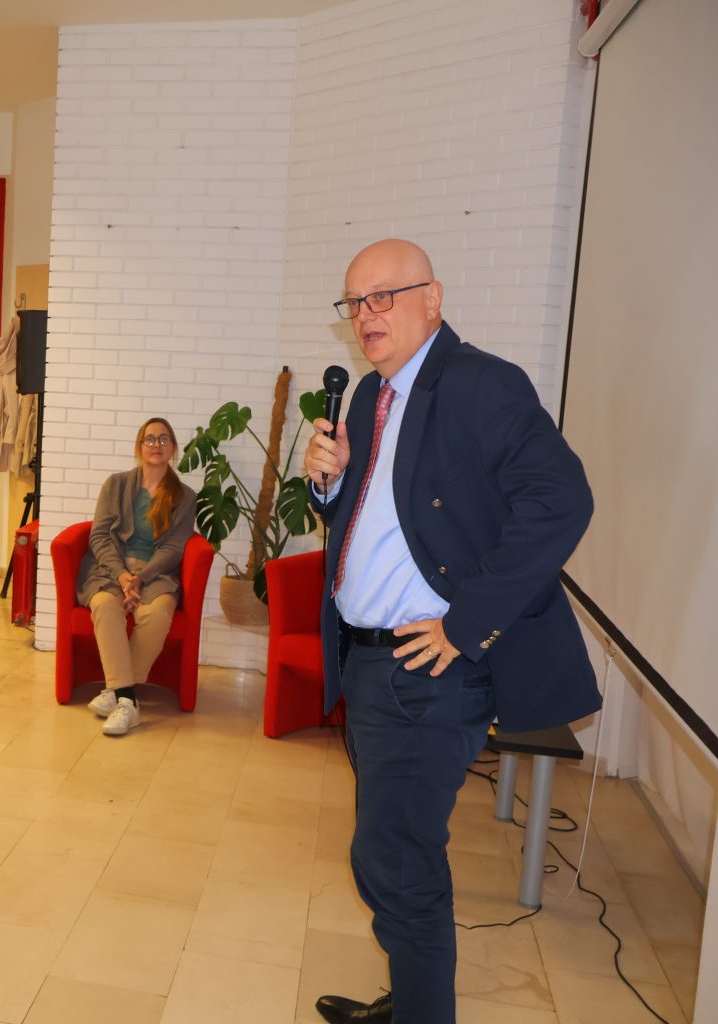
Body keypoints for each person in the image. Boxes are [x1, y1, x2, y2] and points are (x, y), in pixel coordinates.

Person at [301, 239, 598, 1024]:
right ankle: (410, 1000)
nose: (366, 315)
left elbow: (563, 502)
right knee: (388, 851)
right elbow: (375, 517)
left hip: (427, 672)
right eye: (354, 302)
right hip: (368, 664)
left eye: (383, 296)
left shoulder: (481, 385)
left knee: (396, 861)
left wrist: (466, 625)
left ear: (432, 298)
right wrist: (327, 484)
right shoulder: (371, 396)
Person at [78, 417, 196, 737]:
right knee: (105, 605)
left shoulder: (185, 497)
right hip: (110, 569)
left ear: (173, 448)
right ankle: (128, 700)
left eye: (164, 439)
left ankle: (116, 692)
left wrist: (140, 578)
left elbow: (173, 548)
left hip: (156, 572)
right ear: (139, 447)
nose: (156, 445)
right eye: (150, 439)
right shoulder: (115, 485)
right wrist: (122, 576)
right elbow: (99, 536)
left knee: (157, 614)